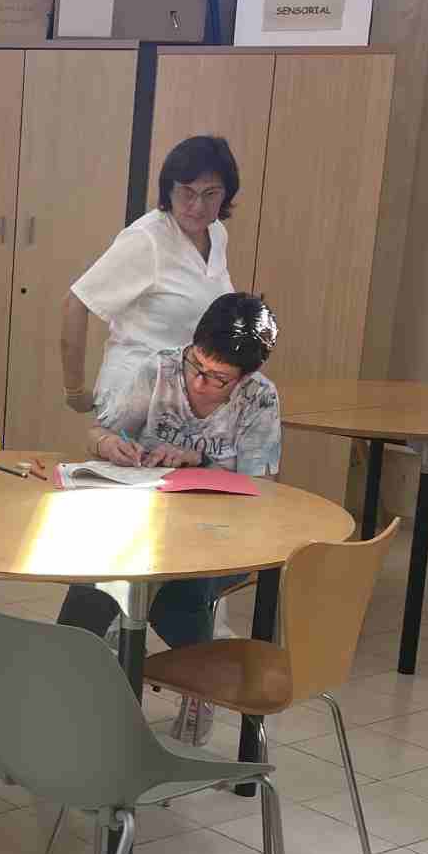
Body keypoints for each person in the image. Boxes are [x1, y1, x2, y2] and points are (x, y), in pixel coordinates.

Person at [59, 292, 281, 746]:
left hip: (222, 535)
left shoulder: (259, 398)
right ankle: (66, 688)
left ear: (245, 377)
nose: (200, 383)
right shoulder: (159, 369)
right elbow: (99, 430)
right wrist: (108, 446)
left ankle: (193, 682)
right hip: (144, 522)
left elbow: (264, 485)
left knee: (179, 589)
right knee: (97, 578)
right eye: (196, 365)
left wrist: (196, 460)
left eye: (218, 379)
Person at [60, 134, 239, 450]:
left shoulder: (216, 234)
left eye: (210, 194)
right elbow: (76, 302)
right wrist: (75, 390)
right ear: (168, 190)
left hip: (185, 400)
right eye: (187, 193)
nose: (197, 206)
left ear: (225, 196)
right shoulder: (147, 239)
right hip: (133, 396)